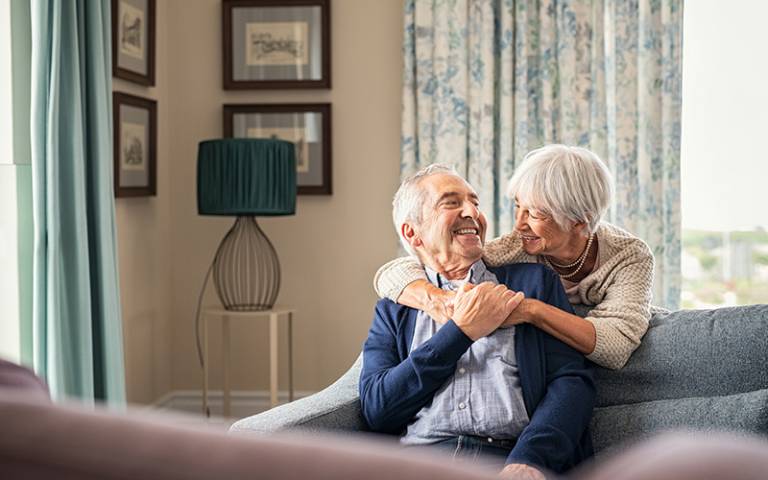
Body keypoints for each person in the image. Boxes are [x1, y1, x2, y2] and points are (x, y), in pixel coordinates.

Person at [360, 164, 595, 478]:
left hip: (507, 459)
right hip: (421, 463)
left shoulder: (532, 283)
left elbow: (571, 383)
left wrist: (530, 460)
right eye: (451, 203)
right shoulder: (395, 308)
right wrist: (461, 332)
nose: (472, 212)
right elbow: (378, 409)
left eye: (475, 202)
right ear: (412, 233)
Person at [373, 145, 654, 370]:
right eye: (518, 207)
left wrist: (530, 310)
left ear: (579, 221)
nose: (519, 224)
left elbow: (615, 347)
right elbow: (397, 271)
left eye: (534, 214)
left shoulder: (629, 256)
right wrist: (437, 299)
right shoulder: (516, 246)